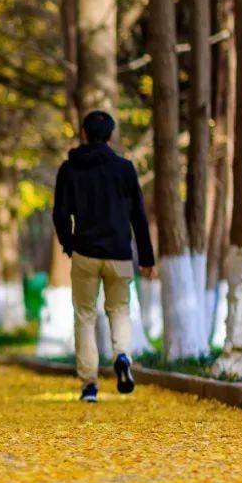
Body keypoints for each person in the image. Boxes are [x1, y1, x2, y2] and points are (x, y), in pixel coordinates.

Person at [52, 109, 156, 403]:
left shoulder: (69, 169)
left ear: (84, 134)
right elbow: (138, 215)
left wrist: (69, 244)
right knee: (119, 310)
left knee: (84, 316)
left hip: (85, 252)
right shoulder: (124, 169)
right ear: (111, 136)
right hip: (120, 254)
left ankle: (89, 385)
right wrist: (146, 257)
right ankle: (122, 355)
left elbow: (60, 214)